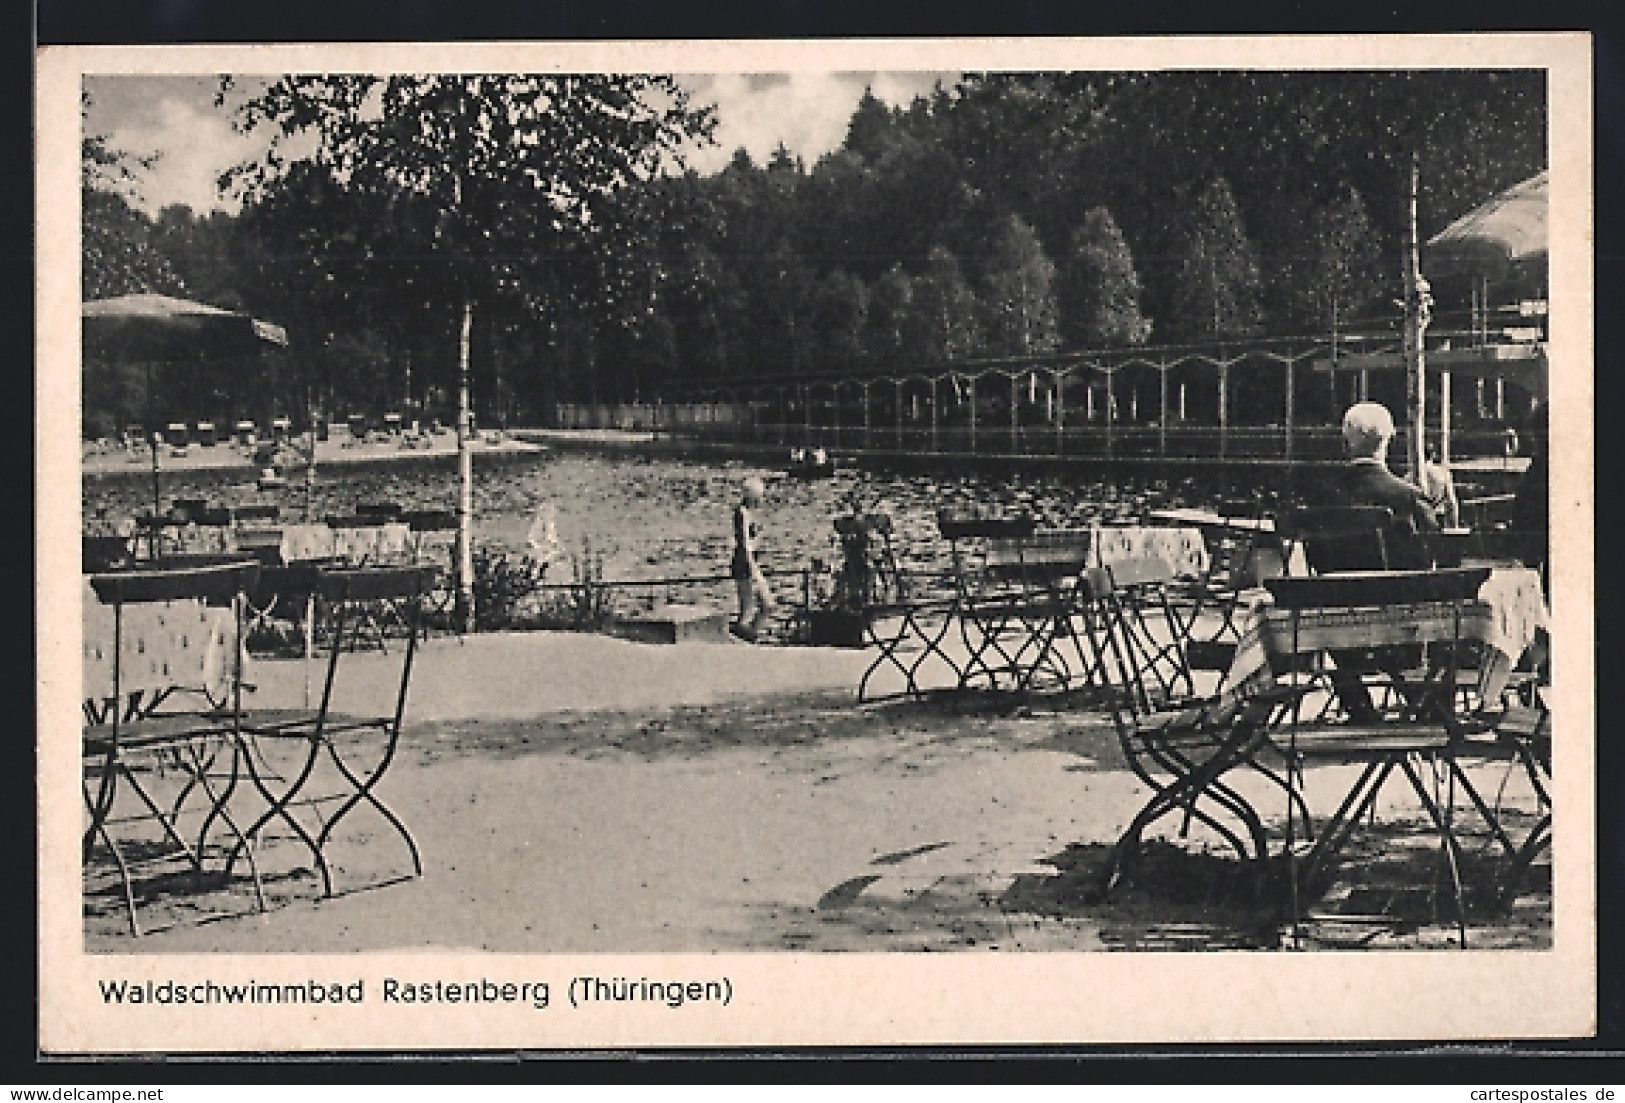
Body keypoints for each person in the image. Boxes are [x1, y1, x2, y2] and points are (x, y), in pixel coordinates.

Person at [730, 476, 774, 641]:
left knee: (766, 604)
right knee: (750, 608)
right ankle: (745, 637)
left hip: (750, 561)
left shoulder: (747, 513)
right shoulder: (742, 513)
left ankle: (750, 637)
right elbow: (744, 543)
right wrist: (752, 567)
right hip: (746, 562)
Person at [1419, 444, 1462, 530]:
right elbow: (1452, 501)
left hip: (1418, 518)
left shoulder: (1410, 476)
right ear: (1433, 455)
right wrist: (1454, 526)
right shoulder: (1443, 473)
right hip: (1437, 517)